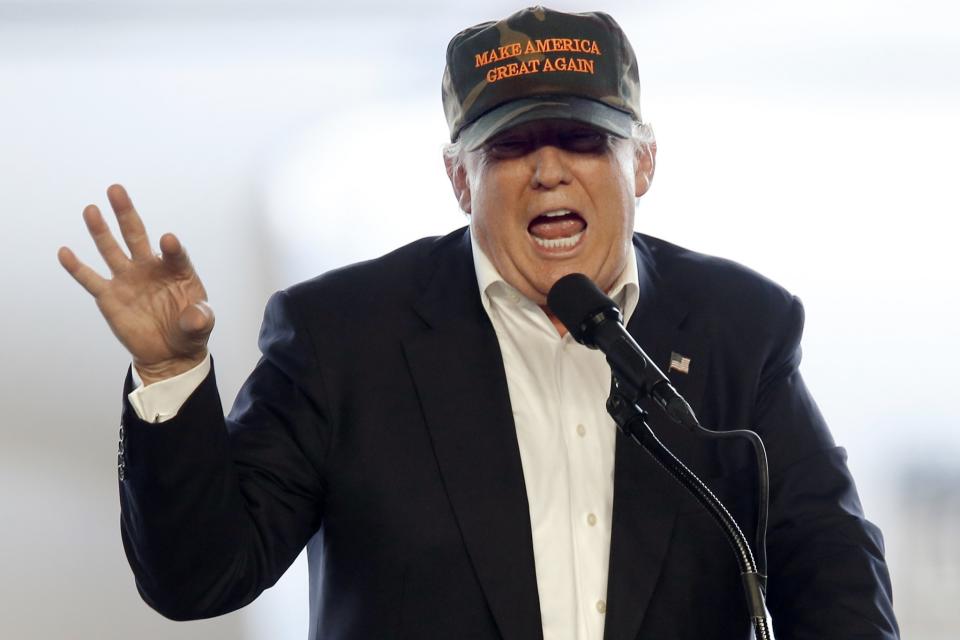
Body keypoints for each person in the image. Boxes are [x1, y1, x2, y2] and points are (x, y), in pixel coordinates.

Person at [58, 6, 899, 640]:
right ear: (460, 180)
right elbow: (200, 578)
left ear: (641, 160)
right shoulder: (342, 338)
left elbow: (833, 582)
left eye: (580, 138)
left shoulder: (737, 329)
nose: (546, 171)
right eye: (509, 145)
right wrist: (170, 376)